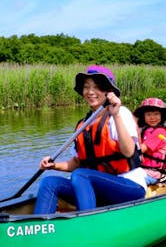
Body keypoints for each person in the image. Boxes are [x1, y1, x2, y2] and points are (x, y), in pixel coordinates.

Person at [34, 65, 147, 214]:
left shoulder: (120, 114)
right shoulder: (83, 124)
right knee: (49, 182)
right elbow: (78, 162)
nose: (90, 92)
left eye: (97, 87)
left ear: (108, 92)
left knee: (80, 174)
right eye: (86, 87)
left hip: (129, 185)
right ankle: (41, 229)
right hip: (95, 186)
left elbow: (128, 151)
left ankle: (86, 225)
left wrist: (116, 114)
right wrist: (53, 165)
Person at [133, 97, 166, 185]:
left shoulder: (160, 132)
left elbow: (140, 149)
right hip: (142, 169)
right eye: (148, 114)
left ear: (161, 116)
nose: (152, 117)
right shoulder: (144, 130)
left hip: (152, 174)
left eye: (156, 114)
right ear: (143, 117)